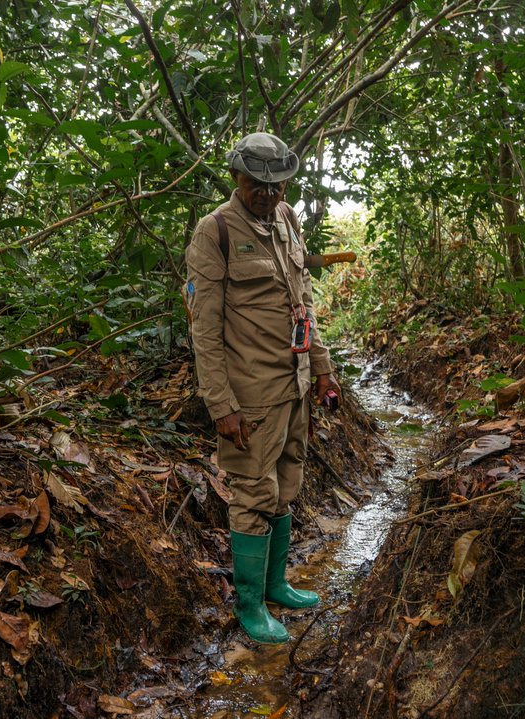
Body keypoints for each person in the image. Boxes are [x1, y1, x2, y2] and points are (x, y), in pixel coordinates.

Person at [184, 132, 341, 645]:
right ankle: (250, 604)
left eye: (277, 184)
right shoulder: (215, 233)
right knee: (253, 493)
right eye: (258, 184)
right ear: (236, 177)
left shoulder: (288, 220)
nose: (268, 193)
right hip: (248, 396)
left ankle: (275, 584)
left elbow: (305, 302)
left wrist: (321, 368)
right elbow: (204, 331)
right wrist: (220, 404)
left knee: (287, 483)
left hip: (293, 387)